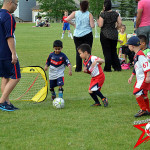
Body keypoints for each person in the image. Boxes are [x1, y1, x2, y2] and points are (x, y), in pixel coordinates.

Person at [0, 0, 21, 111]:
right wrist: (13, 53)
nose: (16, 7)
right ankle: (2, 102)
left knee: (5, 77)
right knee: (16, 77)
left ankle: (6, 103)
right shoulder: (8, 17)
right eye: (16, 4)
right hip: (7, 53)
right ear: (9, 2)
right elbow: (9, 36)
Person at [65, 0, 95, 72]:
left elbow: (67, 19)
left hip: (77, 35)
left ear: (80, 6)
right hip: (87, 34)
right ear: (87, 6)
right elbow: (92, 26)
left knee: (78, 51)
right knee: (87, 51)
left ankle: (78, 68)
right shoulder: (89, 14)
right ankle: (87, 67)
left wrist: (74, 24)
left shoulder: (75, 13)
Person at [128, 36, 150, 117]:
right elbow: (136, 67)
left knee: (136, 92)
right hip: (140, 78)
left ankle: (143, 109)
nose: (128, 47)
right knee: (143, 94)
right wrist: (132, 76)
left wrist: (148, 76)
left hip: (143, 78)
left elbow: (147, 65)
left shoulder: (140, 55)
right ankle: (148, 110)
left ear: (132, 46)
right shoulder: (137, 55)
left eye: (128, 45)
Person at [98, 0, 122, 72]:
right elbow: (120, 23)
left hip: (105, 34)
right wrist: (116, 28)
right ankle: (117, 67)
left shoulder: (103, 14)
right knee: (113, 51)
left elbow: (100, 25)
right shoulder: (115, 14)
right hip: (114, 34)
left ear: (105, 6)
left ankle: (108, 68)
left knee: (107, 52)